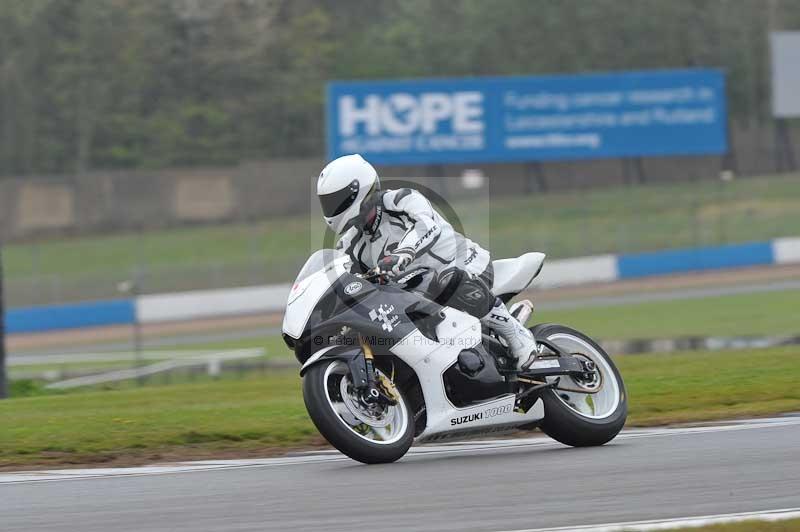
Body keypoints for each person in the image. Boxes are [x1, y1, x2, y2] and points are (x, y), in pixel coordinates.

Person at [317, 154, 537, 371]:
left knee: (448, 280)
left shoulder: (401, 199)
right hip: (419, 294)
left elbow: (427, 225)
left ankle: (515, 333)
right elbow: (342, 277)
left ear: (359, 190)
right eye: (327, 202)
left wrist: (403, 253)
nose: (332, 207)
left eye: (335, 200)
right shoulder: (350, 245)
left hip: (465, 265)